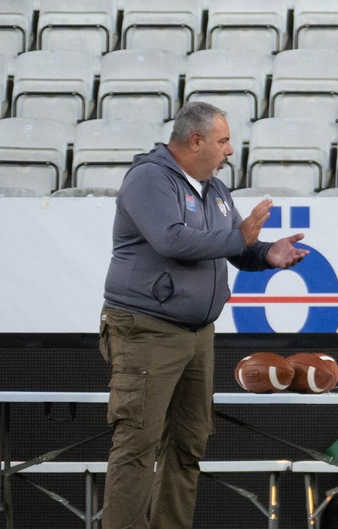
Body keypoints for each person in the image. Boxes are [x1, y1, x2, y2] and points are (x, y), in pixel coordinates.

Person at [99, 102, 308, 529]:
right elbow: (173, 241)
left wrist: (266, 253)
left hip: (197, 335)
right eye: (223, 140)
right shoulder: (149, 179)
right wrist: (238, 237)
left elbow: (231, 247)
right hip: (146, 331)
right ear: (195, 141)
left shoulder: (214, 187)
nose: (230, 150)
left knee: (188, 444)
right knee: (137, 445)